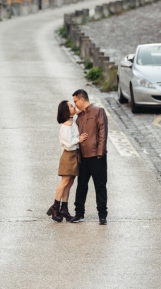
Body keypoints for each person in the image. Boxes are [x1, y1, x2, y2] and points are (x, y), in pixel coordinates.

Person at [71, 89, 108, 225]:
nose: (75, 105)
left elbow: (103, 133)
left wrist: (100, 153)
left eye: (75, 101)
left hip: (97, 156)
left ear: (82, 99)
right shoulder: (79, 116)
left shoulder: (98, 111)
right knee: (81, 186)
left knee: (100, 186)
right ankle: (79, 214)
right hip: (83, 157)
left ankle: (102, 215)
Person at [47, 101, 88, 222]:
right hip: (68, 155)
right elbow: (68, 144)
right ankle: (55, 207)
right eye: (71, 106)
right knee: (64, 182)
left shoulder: (71, 121)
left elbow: (76, 113)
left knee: (69, 183)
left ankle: (64, 208)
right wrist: (78, 139)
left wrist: (78, 112)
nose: (74, 106)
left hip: (75, 155)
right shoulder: (65, 126)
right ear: (66, 111)